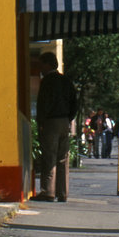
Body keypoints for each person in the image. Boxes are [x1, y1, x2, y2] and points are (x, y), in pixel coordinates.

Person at [35, 51, 79, 202]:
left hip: (50, 122)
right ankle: (63, 192)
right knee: (63, 158)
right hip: (64, 121)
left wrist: (41, 122)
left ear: (47, 65)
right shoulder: (66, 80)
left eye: (41, 65)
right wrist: (68, 118)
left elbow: (43, 104)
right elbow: (75, 103)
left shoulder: (47, 81)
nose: (40, 68)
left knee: (49, 156)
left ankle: (48, 191)